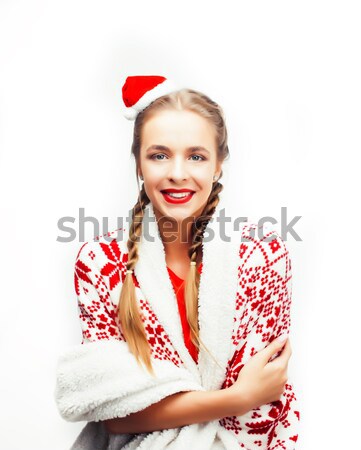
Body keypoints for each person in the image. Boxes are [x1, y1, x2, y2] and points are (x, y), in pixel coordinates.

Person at [54, 75, 301, 449]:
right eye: (159, 155)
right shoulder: (99, 263)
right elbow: (115, 415)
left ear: (218, 165)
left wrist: (169, 406)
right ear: (138, 162)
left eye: (196, 156)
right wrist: (236, 397)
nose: (177, 173)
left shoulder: (264, 256)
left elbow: (265, 405)